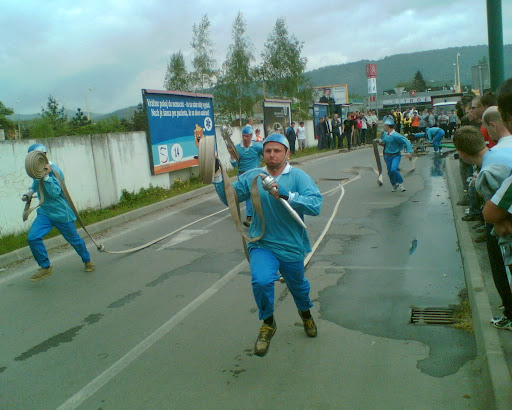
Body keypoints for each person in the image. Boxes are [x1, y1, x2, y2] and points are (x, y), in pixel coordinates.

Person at [212, 134, 323, 356]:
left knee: (298, 288)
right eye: (268, 151)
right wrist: (217, 173)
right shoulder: (253, 176)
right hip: (262, 243)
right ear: (263, 154)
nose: (272, 155)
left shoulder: (298, 177)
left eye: (277, 151)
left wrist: (289, 196)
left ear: (287, 154)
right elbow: (229, 198)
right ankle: (268, 323)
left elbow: (315, 205)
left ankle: (306, 315)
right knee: (261, 281)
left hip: (291, 245)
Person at [453, 125, 512, 331]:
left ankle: (510, 313)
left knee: (501, 268)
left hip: (507, 228)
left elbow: (496, 212)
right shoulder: (502, 151)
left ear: (462, 153)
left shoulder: (487, 173)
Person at [22, 143, 95, 281]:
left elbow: (55, 193)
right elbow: (35, 184)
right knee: (33, 237)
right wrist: (30, 192)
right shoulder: (36, 171)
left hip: (61, 213)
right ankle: (45, 267)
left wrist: (46, 177)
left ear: (43, 156)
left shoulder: (54, 171)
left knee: (74, 240)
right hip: (45, 213)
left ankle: (87, 260)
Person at [230, 125, 264, 227]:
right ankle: (251, 216)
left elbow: (266, 154)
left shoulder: (257, 147)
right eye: (243, 136)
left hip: (254, 176)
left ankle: (251, 216)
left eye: (247, 136)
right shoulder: (237, 148)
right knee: (247, 196)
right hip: (242, 176)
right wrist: (232, 156)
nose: (245, 138)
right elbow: (234, 165)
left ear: (251, 136)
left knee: (252, 195)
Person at [379, 118, 413, 192]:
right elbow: (383, 141)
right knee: (390, 172)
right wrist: (381, 143)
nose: (384, 127)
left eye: (385, 125)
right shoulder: (385, 134)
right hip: (387, 156)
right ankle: (394, 184)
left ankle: (400, 183)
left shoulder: (396, 135)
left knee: (394, 169)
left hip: (396, 155)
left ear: (388, 126)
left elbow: (406, 141)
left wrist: (409, 152)